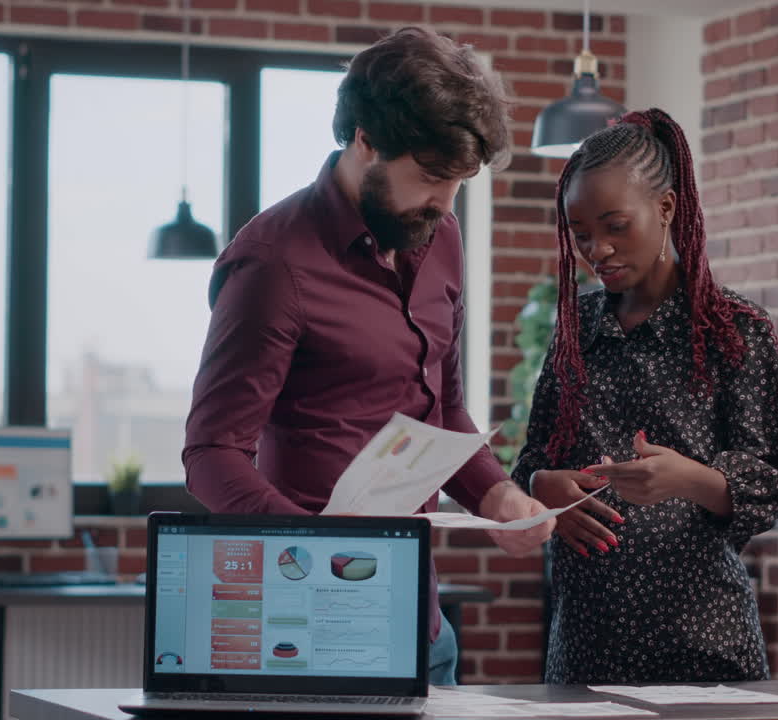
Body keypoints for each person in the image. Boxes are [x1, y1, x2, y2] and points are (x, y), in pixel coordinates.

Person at [182, 27, 555, 687]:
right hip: (309, 627)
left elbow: (443, 409)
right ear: (364, 140)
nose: (445, 203)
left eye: (460, 183)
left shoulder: (439, 237)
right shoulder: (273, 262)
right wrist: (314, 545)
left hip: (420, 622)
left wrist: (497, 495)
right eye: (433, 178)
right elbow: (212, 455)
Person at [513, 108, 778, 684]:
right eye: (581, 236)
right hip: (585, 648)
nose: (596, 250)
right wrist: (541, 486)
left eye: (615, 226)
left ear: (667, 209)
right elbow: (534, 461)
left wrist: (689, 478)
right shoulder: (576, 327)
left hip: (705, 645)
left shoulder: (735, 329)